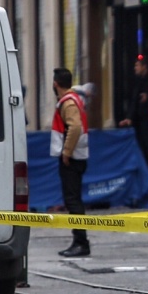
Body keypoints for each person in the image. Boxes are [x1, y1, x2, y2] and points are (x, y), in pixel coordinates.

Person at [51, 68, 90, 258]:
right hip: (77, 157)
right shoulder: (73, 99)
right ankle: (79, 241)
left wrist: (66, 152)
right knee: (74, 199)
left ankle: (81, 242)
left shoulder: (68, 102)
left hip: (72, 159)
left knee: (73, 200)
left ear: (55, 83)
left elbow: (75, 127)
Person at [118, 57, 148, 176]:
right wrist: (129, 117)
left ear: (144, 67)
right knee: (143, 144)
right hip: (141, 119)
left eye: (137, 66)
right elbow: (134, 100)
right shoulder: (138, 81)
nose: (135, 68)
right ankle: (146, 169)